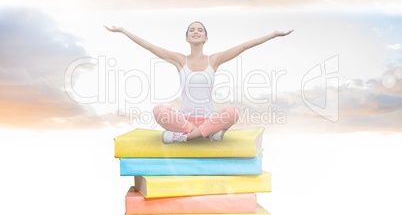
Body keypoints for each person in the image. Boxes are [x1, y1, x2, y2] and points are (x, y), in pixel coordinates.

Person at [104, 22, 293, 144]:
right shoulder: (179, 60)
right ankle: (209, 134)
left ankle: (184, 137)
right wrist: (123, 31)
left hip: (208, 119)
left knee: (233, 111)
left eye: (200, 30)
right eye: (192, 30)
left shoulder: (214, 60)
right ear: (187, 38)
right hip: (184, 120)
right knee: (159, 110)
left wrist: (273, 35)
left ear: (206, 38)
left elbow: (243, 46)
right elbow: (150, 47)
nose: (196, 32)